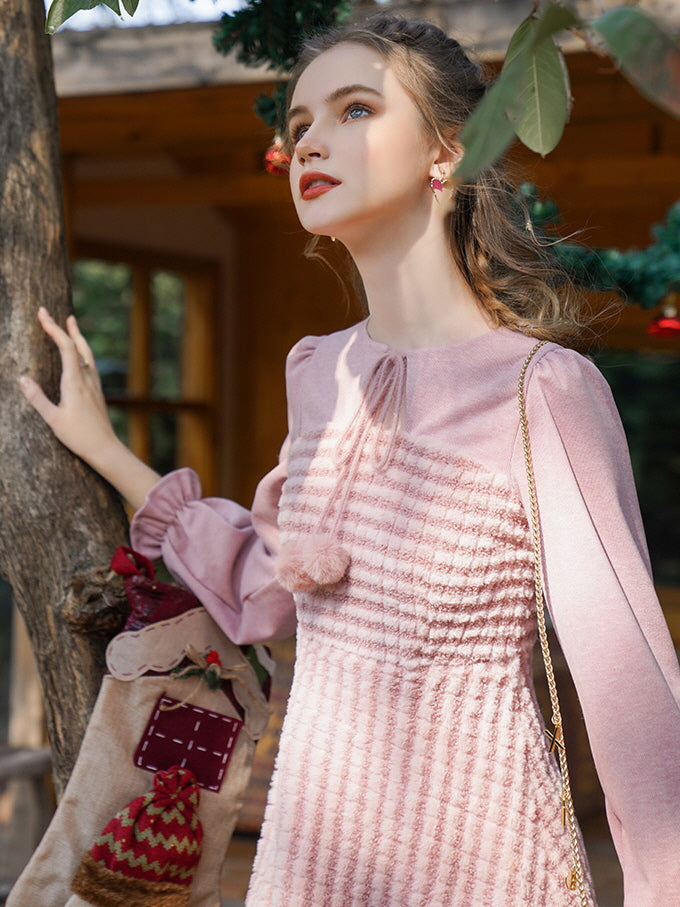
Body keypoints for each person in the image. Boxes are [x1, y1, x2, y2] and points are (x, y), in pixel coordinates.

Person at [19, 13, 680, 907]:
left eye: (355, 109)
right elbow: (269, 590)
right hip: (306, 860)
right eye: (298, 126)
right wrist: (104, 448)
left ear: (451, 149)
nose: (310, 142)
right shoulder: (318, 371)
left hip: (477, 862)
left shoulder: (543, 390)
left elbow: (634, 696)